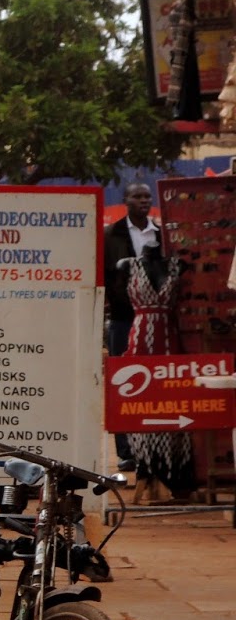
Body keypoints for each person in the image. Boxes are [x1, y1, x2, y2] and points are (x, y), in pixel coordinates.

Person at [123, 245, 196, 501]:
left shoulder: (176, 265)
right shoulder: (127, 265)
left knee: (171, 401)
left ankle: (171, 471)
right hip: (140, 339)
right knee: (140, 403)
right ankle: (146, 464)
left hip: (168, 340)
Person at [103, 182, 158, 471]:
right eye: (137, 196)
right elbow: (102, 275)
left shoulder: (160, 234)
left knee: (153, 383)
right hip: (123, 319)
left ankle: (153, 447)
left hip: (155, 319)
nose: (143, 200)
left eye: (147, 196)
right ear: (125, 200)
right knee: (121, 382)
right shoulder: (110, 235)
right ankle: (125, 451)